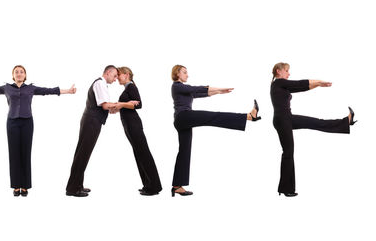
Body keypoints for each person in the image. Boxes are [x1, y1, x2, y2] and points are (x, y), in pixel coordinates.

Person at [0, 65, 76, 197]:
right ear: (13, 75)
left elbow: (48, 90)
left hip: (27, 122)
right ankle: (16, 186)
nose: (19, 73)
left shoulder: (31, 88)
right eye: (16, 72)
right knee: (14, 153)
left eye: (21, 72)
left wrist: (68, 91)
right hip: (12, 122)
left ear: (25, 75)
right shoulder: (6, 88)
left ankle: (25, 185)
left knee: (25, 153)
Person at [170, 65, 261, 197]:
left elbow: (201, 93)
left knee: (184, 151)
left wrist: (219, 92)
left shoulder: (184, 90)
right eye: (184, 72)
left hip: (183, 121)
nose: (187, 75)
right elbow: (196, 88)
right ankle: (248, 116)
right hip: (183, 117)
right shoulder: (177, 86)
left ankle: (177, 186)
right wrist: (218, 88)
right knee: (213, 116)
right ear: (177, 73)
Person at [271, 62, 356, 197]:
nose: (289, 73)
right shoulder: (278, 83)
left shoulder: (281, 85)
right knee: (288, 152)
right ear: (278, 71)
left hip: (286, 119)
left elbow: (301, 87)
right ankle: (286, 189)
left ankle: (346, 122)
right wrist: (318, 81)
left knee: (316, 123)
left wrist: (317, 85)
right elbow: (299, 83)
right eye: (287, 71)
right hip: (283, 120)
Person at [65, 65, 119, 197]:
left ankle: (77, 185)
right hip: (91, 122)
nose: (116, 79)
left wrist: (114, 108)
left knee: (83, 154)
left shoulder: (102, 84)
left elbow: (104, 106)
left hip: (92, 121)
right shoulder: (100, 83)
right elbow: (105, 105)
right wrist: (122, 104)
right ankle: (72, 189)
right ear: (107, 72)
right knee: (82, 154)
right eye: (115, 76)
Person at [111, 66, 162, 195]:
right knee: (138, 154)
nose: (117, 78)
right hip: (128, 124)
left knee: (144, 154)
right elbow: (129, 105)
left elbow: (139, 104)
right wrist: (117, 107)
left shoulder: (131, 86)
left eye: (119, 75)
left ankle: (154, 187)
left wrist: (121, 104)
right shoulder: (127, 88)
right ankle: (147, 184)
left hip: (133, 124)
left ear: (126, 74)